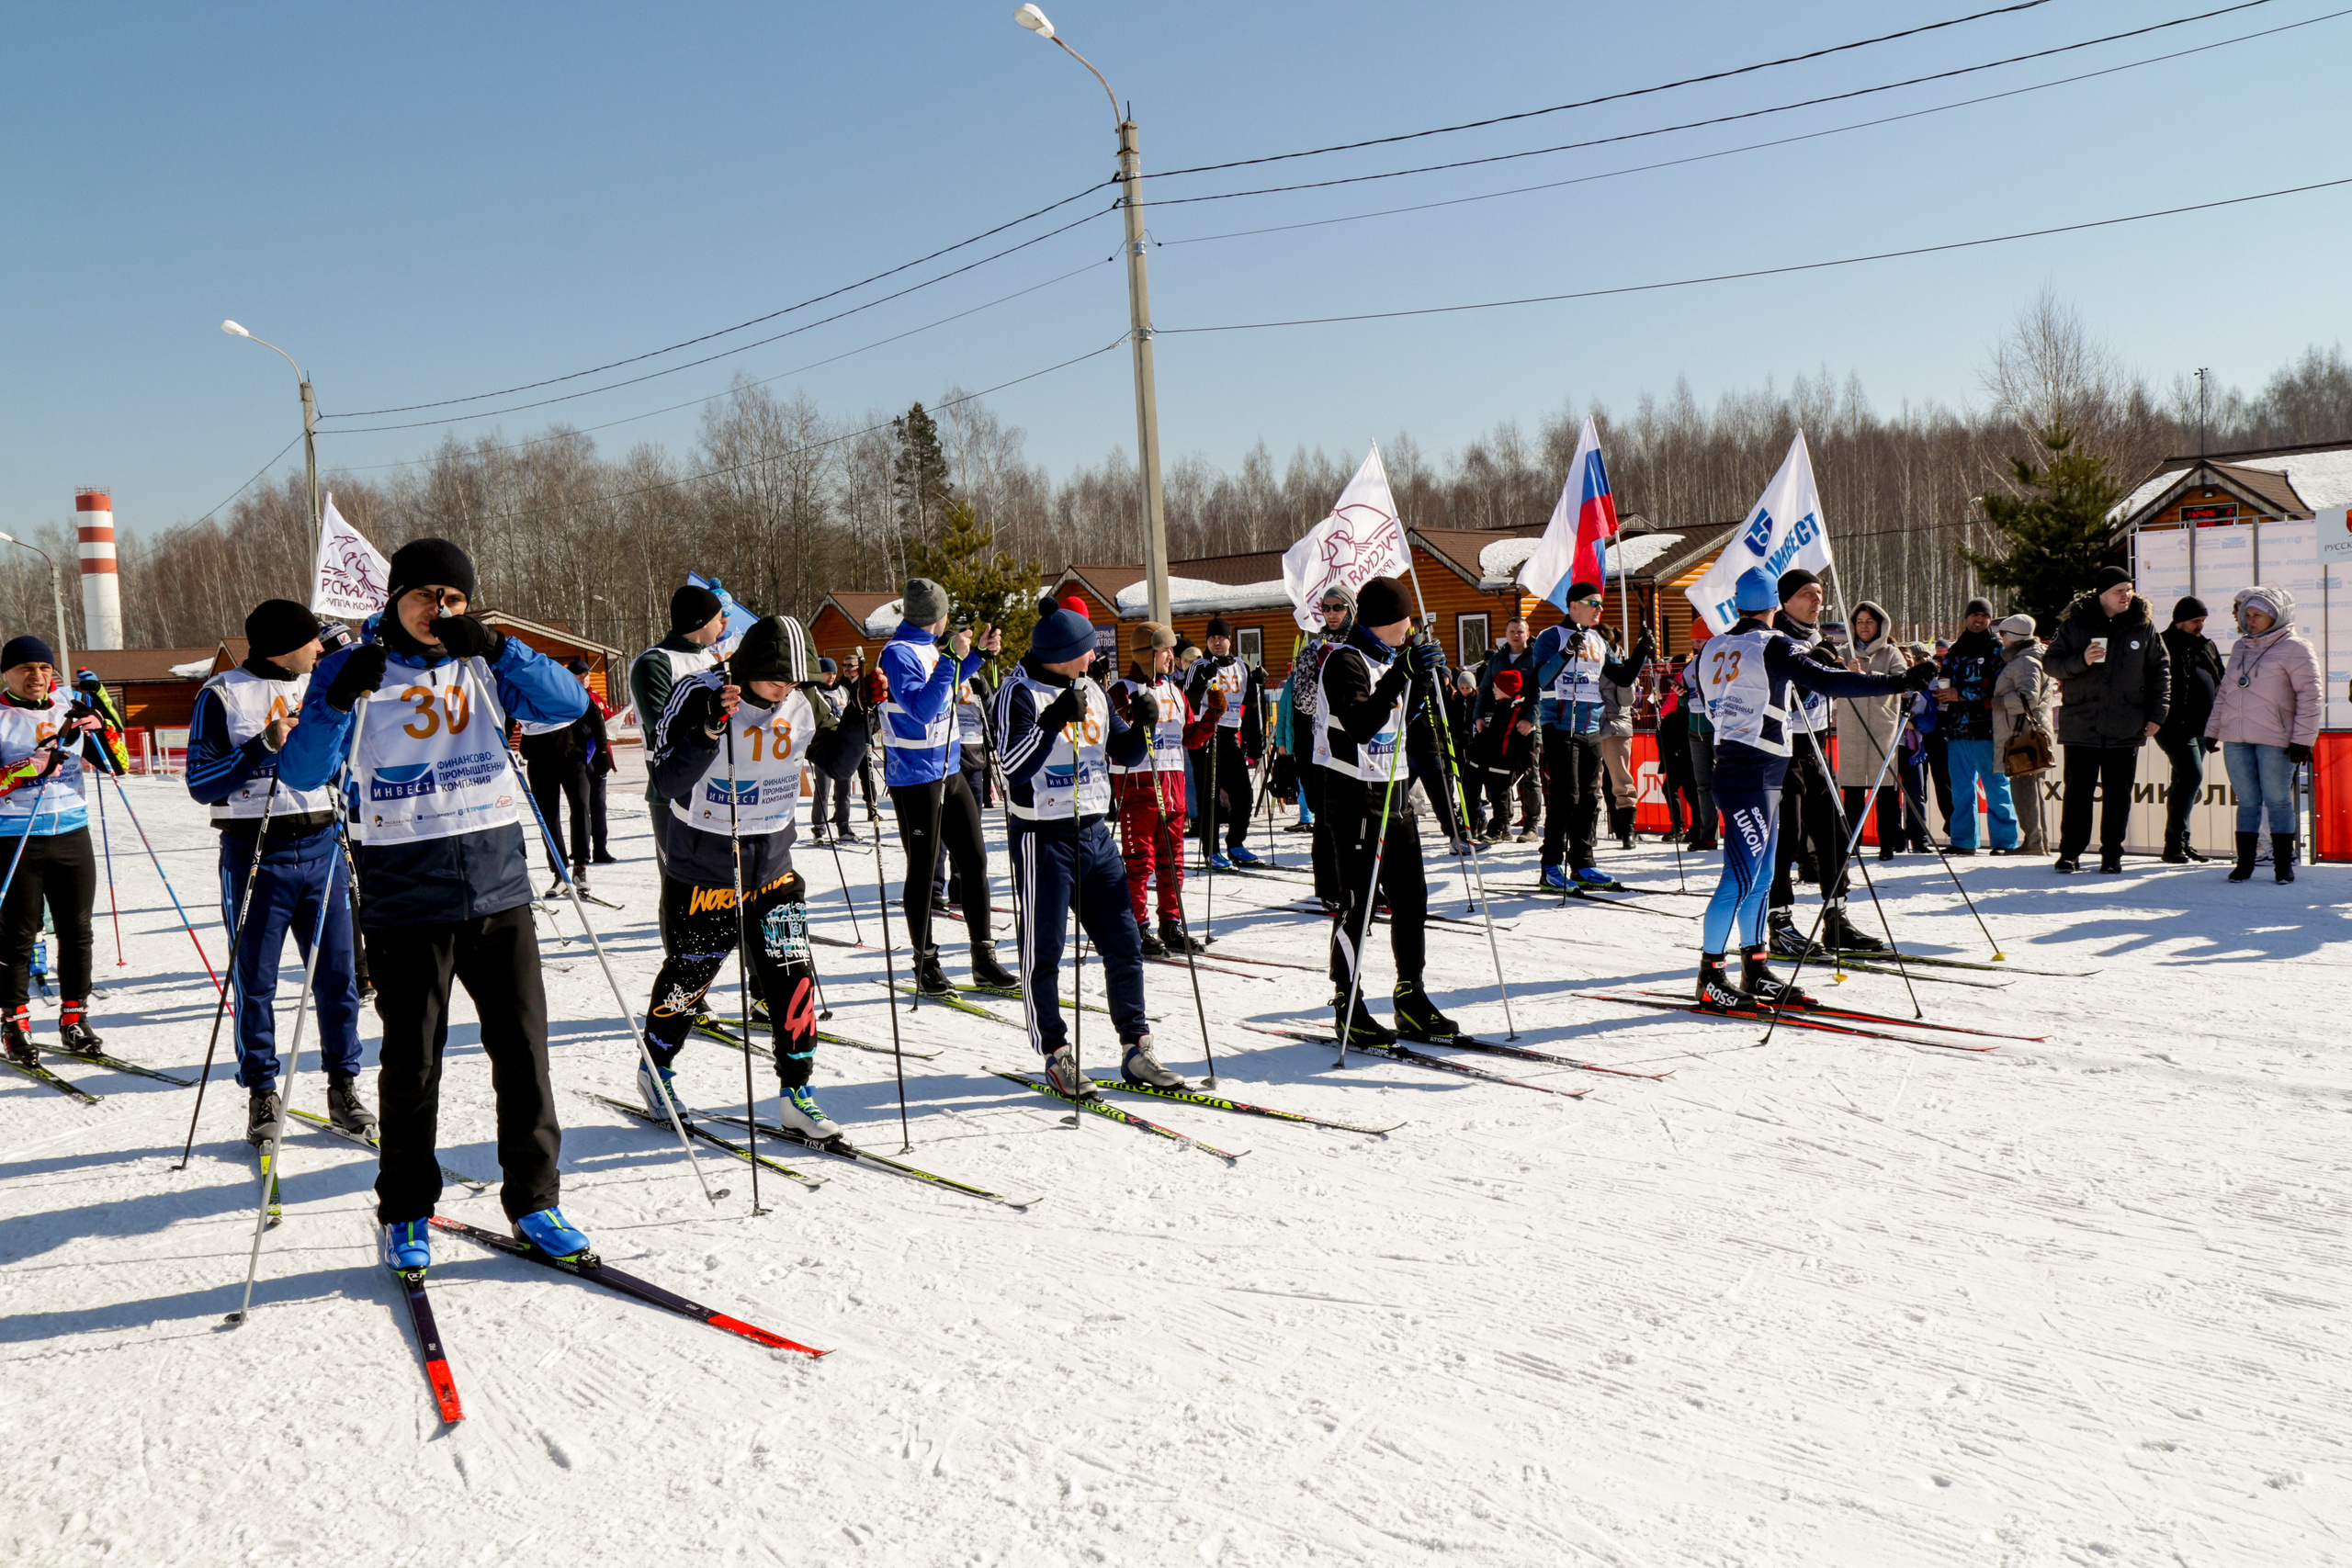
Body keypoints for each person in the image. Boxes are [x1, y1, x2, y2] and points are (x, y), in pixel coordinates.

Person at [277, 537, 593, 1272]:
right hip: (405, 894)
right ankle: (407, 1207)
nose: (437, 609)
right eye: (423, 596)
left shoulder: (484, 661)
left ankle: (536, 1200)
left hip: (498, 886)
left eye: (451, 597)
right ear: (393, 600)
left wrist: (501, 647)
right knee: (413, 1064)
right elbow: (301, 769)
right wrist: (332, 695)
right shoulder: (354, 666)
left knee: (523, 1055)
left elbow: (570, 702)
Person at [1693, 568, 1936, 1010]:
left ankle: (1755, 965)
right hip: (1750, 773)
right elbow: (1827, 681)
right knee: (1740, 879)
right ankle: (1711, 974)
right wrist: (1897, 683)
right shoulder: (1772, 644)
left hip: (1758, 770)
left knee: (1764, 877)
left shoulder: (1714, 644)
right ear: (1774, 603)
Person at [184, 601, 372, 1145]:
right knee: (257, 982)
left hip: (323, 845)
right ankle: (262, 1093)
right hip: (256, 851)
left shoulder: (324, 683)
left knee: (340, 979)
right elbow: (201, 782)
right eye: (312, 640)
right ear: (281, 644)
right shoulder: (220, 693)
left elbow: (347, 760)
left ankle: (343, 1086)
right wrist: (263, 744)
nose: (321, 648)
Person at [640, 615, 837, 1134]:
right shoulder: (697, 692)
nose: (785, 689)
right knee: (690, 977)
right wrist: (708, 731)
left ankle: (797, 1090)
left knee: (793, 978)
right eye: (776, 677)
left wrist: (861, 716)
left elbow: (839, 761)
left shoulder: (802, 698)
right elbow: (666, 778)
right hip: (706, 866)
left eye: (794, 679)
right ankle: (656, 1071)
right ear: (747, 668)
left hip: (773, 865)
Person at [993, 604, 1174, 1096]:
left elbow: (1125, 753)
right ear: (1062, 656)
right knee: (1045, 952)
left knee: (1125, 944)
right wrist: (1051, 722)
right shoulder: (1017, 692)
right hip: (1044, 837)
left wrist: (1143, 727)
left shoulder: (1092, 688)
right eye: (1085, 650)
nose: (1094, 655)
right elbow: (1011, 768)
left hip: (1096, 832)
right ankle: (1055, 1053)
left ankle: (1136, 1047)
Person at [1316, 576, 1456, 1046]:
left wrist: (1426, 682)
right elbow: (1359, 723)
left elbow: (1401, 717)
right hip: (1353, 794)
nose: (1411, 628)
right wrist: (1404, 672)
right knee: (1357, 904)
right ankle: (1348, 1003)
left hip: (1394, 790)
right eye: (1405, 621)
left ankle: (1410, 994)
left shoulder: (1388, 658)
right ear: (1385, 623)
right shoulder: (1344, 661)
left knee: (1412, 898)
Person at [0, 637, 129, 1072]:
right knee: (17, 937)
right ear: (7, 674)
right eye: (24, 669)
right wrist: (25, 769)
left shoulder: (67, 706)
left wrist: (102, 726)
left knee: (77, 931)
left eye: (43, 668)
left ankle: (75, 1018)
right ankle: (15, 1024)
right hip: (15, 838)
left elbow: (119, 764)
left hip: (72, 833)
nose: (36, 677)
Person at [878, 577, 1012, 994]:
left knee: (974, 862)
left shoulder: (927, 648)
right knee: (922, 871)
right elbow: (922, 708)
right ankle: (925, 962)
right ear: (940, 617)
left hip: (949, 767)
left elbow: (949, 684)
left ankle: (982, 956)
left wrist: (977, 656)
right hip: (916, 776)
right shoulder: (898, 652)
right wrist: (953, 660)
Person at [1763, 570, 1881, 955]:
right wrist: (1815, 663)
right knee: (1789, 836)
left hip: (1815, 743)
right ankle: (1779, 923)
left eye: (1819, 593)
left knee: (1834, 831)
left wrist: (1845, 674)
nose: (1816, 601)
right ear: (1784, 600)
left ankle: (1836, 920)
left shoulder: (1818, 636)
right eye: (1806, 594)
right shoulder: (1774, 638)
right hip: (1781, 746)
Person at [2044, 565, 2168, 874]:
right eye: (2119, 591)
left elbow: (2160, 671)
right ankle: (2070, 852)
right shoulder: (2076, 624)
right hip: (2081, 723)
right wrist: (2081, 660)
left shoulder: (2143, 626)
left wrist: (2157, 715)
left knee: (2118, 795)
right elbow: (2051, 663)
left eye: (2128, 589)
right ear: (2103, 594)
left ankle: (2112, 854)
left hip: (2126, 723)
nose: (2126, 596)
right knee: (2077, 793)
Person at [1528, 584, 1653, 890]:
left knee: (1589, 797)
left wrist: (1640, 651)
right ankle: (1550, 865)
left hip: (1591, 727)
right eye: (1593, 603)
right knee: (1566, 796)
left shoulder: (1597, 638)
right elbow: (1540, 678)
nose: (1599, 609)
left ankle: (1583, 864)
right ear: (1573, 605)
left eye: (1600, 604)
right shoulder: (1551, 636)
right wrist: (1566, 652)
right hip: (1559, 726)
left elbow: (1621, 676)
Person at [1109, 621, 1216, 957]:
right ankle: (1137, 926)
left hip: (1173, 787)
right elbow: (1116, 739)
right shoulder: (1122, 690)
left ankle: (1171, 922)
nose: (1172, 656)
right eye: (1165, 651)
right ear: (1147, 654)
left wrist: (1213, 715)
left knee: (1172, 862)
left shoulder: (1174, 690)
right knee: (1139, 862)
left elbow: (1190, 738)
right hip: (1138, 786)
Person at [2205, 586, 2321, 884]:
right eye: (2248, 615)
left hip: (2276, 739)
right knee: (2247, 801)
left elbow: (2310, 697)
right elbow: (2225, 692)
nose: (2250, 620)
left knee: (2278, 800)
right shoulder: (2242, 647)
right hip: (2237, 738)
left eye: (2258, 615)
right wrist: (2212, 731)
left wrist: (2302, 740)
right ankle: (2245, 864)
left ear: (2276, 615)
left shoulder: (2296, 647)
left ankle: (2283, 864)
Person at [628, 584, 729, 844]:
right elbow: (663, 727)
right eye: (719, 619)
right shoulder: (655, 662)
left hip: (712, 785)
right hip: (673, 789)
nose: (723, 626)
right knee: (680, 881)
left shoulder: (710, 660)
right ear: (701, 621)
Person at [1935, 598, 2019, 855]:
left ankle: (2005, 842)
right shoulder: (1956, 649)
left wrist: (1961, 694)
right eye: (1975, 615)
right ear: (1966, 617)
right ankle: (1963, 841)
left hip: (1987, 730)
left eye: (1984, 615)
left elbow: (1999, 688)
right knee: (1961, 790)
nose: (1979, 619)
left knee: (1996, 787)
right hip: (1957, 730)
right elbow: (1944, 679)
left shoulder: (1997, 649)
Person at [518, 658, 609, 897]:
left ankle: (580, 867)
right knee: (548, 817)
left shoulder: (563, 689)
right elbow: (505, 720)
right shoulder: (520, 691)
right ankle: (559, 873)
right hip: (539, 762)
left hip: (572, 758)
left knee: (580, 808)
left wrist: (601, 751)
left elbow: (595, 716)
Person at [1283, 591, 1352, 902]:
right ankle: (1328, 887)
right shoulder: (1313, 650)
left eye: (1339, 607)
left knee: (1361, 816)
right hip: (1324, 743)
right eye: (1327, 608)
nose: (1333, 613)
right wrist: (1326, 677)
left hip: (1357, 741)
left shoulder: (1362, 645)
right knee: (1327, 819)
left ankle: (1363, 883)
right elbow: (1303, 701)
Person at [1183, 616, 1267, 870]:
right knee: (1209, 798)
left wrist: (1255, 741)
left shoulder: (1241, 666)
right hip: (1206, 736)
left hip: (1230, 736)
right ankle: (1212, 851)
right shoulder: (1200, 665)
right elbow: (1188, 701)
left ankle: (1235, 844)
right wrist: (1200, 680)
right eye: (1212, 638)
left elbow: (1251, 706)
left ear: (1230, 640)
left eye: (1221, 638)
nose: (1216, 643)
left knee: (1243, 795)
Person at [1832, 599, 1909, 859]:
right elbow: (1828, 681)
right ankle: (1851, 844)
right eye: (1860, 622)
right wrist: (1845, 671)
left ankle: (1887, 846)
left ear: (1880, 625)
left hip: (1881, 728)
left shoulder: (1890, 653)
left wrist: (1869, 678)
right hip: (1852, 728)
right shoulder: (1844, 652)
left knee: (1885, 790)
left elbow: (1901, 682)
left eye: (1870, 622)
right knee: (1852, 791)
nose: (1864, 626)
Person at [2156, 596, 2225, 863]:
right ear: (2181, 620)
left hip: (2202, 725)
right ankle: (2174, 843)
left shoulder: (2206, 645)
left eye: (2203, 621)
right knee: (2191, 776)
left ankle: (2179, 841)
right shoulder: (2161, 643)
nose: (2201, 626)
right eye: (2196, 621)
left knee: (2183, 781)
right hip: (2172, 724)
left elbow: (2220, 677)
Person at [1989, 615, 2056, 856]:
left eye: (2003, 634)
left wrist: (1995, 703)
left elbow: (2028, 698)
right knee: (2029, 789)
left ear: (2012, 636)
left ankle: (2034, 842)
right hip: (2028, 733)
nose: (2001, 639)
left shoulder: (2025, 661)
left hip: (2023, 736)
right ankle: (2037, 841)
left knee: (2024, 789)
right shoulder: (2033, 657)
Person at [1472, 616, 1543, 841]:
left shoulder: (1536, 657)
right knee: (1499, 776)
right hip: (1502, 726)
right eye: (1512, 631)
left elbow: (1539, 692)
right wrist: (1479, 716)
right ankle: (1503, 823)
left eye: (1520, 631)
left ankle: (1531, 825)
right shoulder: (1498, 658)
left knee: (1530, 776)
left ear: (1527, 634)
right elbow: (1484, 690)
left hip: (1527, 728)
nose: (1515, 635)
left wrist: (1530, 719)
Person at [1597, 632, 1641, 852]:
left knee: (1622, 780)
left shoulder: (1623, 665)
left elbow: (1627, 701)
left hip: (1615, 724)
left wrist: (1626, 679)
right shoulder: (1588, 661)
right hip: (1592, 724)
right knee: (1591, 783)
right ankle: (1588, 831)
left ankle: (1627, 831)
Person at [955, 626, 1004, 810]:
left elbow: (992, 713)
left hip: (974, 748)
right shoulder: (940, 675)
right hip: (949, 749)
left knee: (974, 814)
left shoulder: (976, 676)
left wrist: (984, 695)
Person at [1679, 620, 1719, 850]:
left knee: (1728, 784)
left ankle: (1737, 833)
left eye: (1700, 641)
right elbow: (1686, 700)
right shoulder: (1691, 664)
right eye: (1694, 642)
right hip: (1695, 731)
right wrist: (1682, 695)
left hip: (1717, 729)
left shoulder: (1719, 663)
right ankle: (1708, 835)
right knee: (1703, 786)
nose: (1696, 646)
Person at [1657, 657, 1699, 841]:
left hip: (1685, 751)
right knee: (1676, 789)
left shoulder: (1688, 678)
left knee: (1689, 790)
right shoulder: (1683, 678)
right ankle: (1683, 826)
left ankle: (1688, 827)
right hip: (1676, 752)